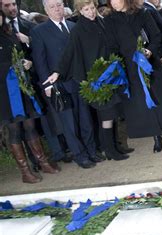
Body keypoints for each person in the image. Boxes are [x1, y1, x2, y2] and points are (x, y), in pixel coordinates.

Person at [43, 0, 128, 161]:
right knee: (106, 115)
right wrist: (57, 72)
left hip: (110, 75)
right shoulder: (78, 30)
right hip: (96, 79)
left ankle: (115, 146)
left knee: (113, 113)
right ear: (80, 11)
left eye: (92, 8)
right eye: (87, 9)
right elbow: (68, 53)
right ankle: (109, 150)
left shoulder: (100, 22)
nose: (91, 12)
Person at [104, 0, 162, 152]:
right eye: (111, 1)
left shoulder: (142, 13)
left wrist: (151, 51)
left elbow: (156, 35)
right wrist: (118, 64)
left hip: (150, 64)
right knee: (143, 103)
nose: (114, 3)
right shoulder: (110, 20)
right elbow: (112, 46)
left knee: (159, 100)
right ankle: (156, 136)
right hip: (130, 68)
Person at [30, 0, 99, 169]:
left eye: (59, 5)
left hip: (79, 81)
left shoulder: (73, 26)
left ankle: (91, 151)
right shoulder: (39, 31)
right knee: (69, 123)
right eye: (52, 6)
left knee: (86, 119)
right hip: (58, 84)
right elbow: (40, 61)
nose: (57, 9)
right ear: (45, 10)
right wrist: (47, 86)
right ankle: (79, 155)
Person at [0, 10, 60, 183]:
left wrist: (27, 62)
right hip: (5, 94)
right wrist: (12, 66)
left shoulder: (11, 33)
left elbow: (23, 54)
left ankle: (43, 162)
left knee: (30, 125)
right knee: (15, 130)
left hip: (22, 88)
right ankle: (25, 172)